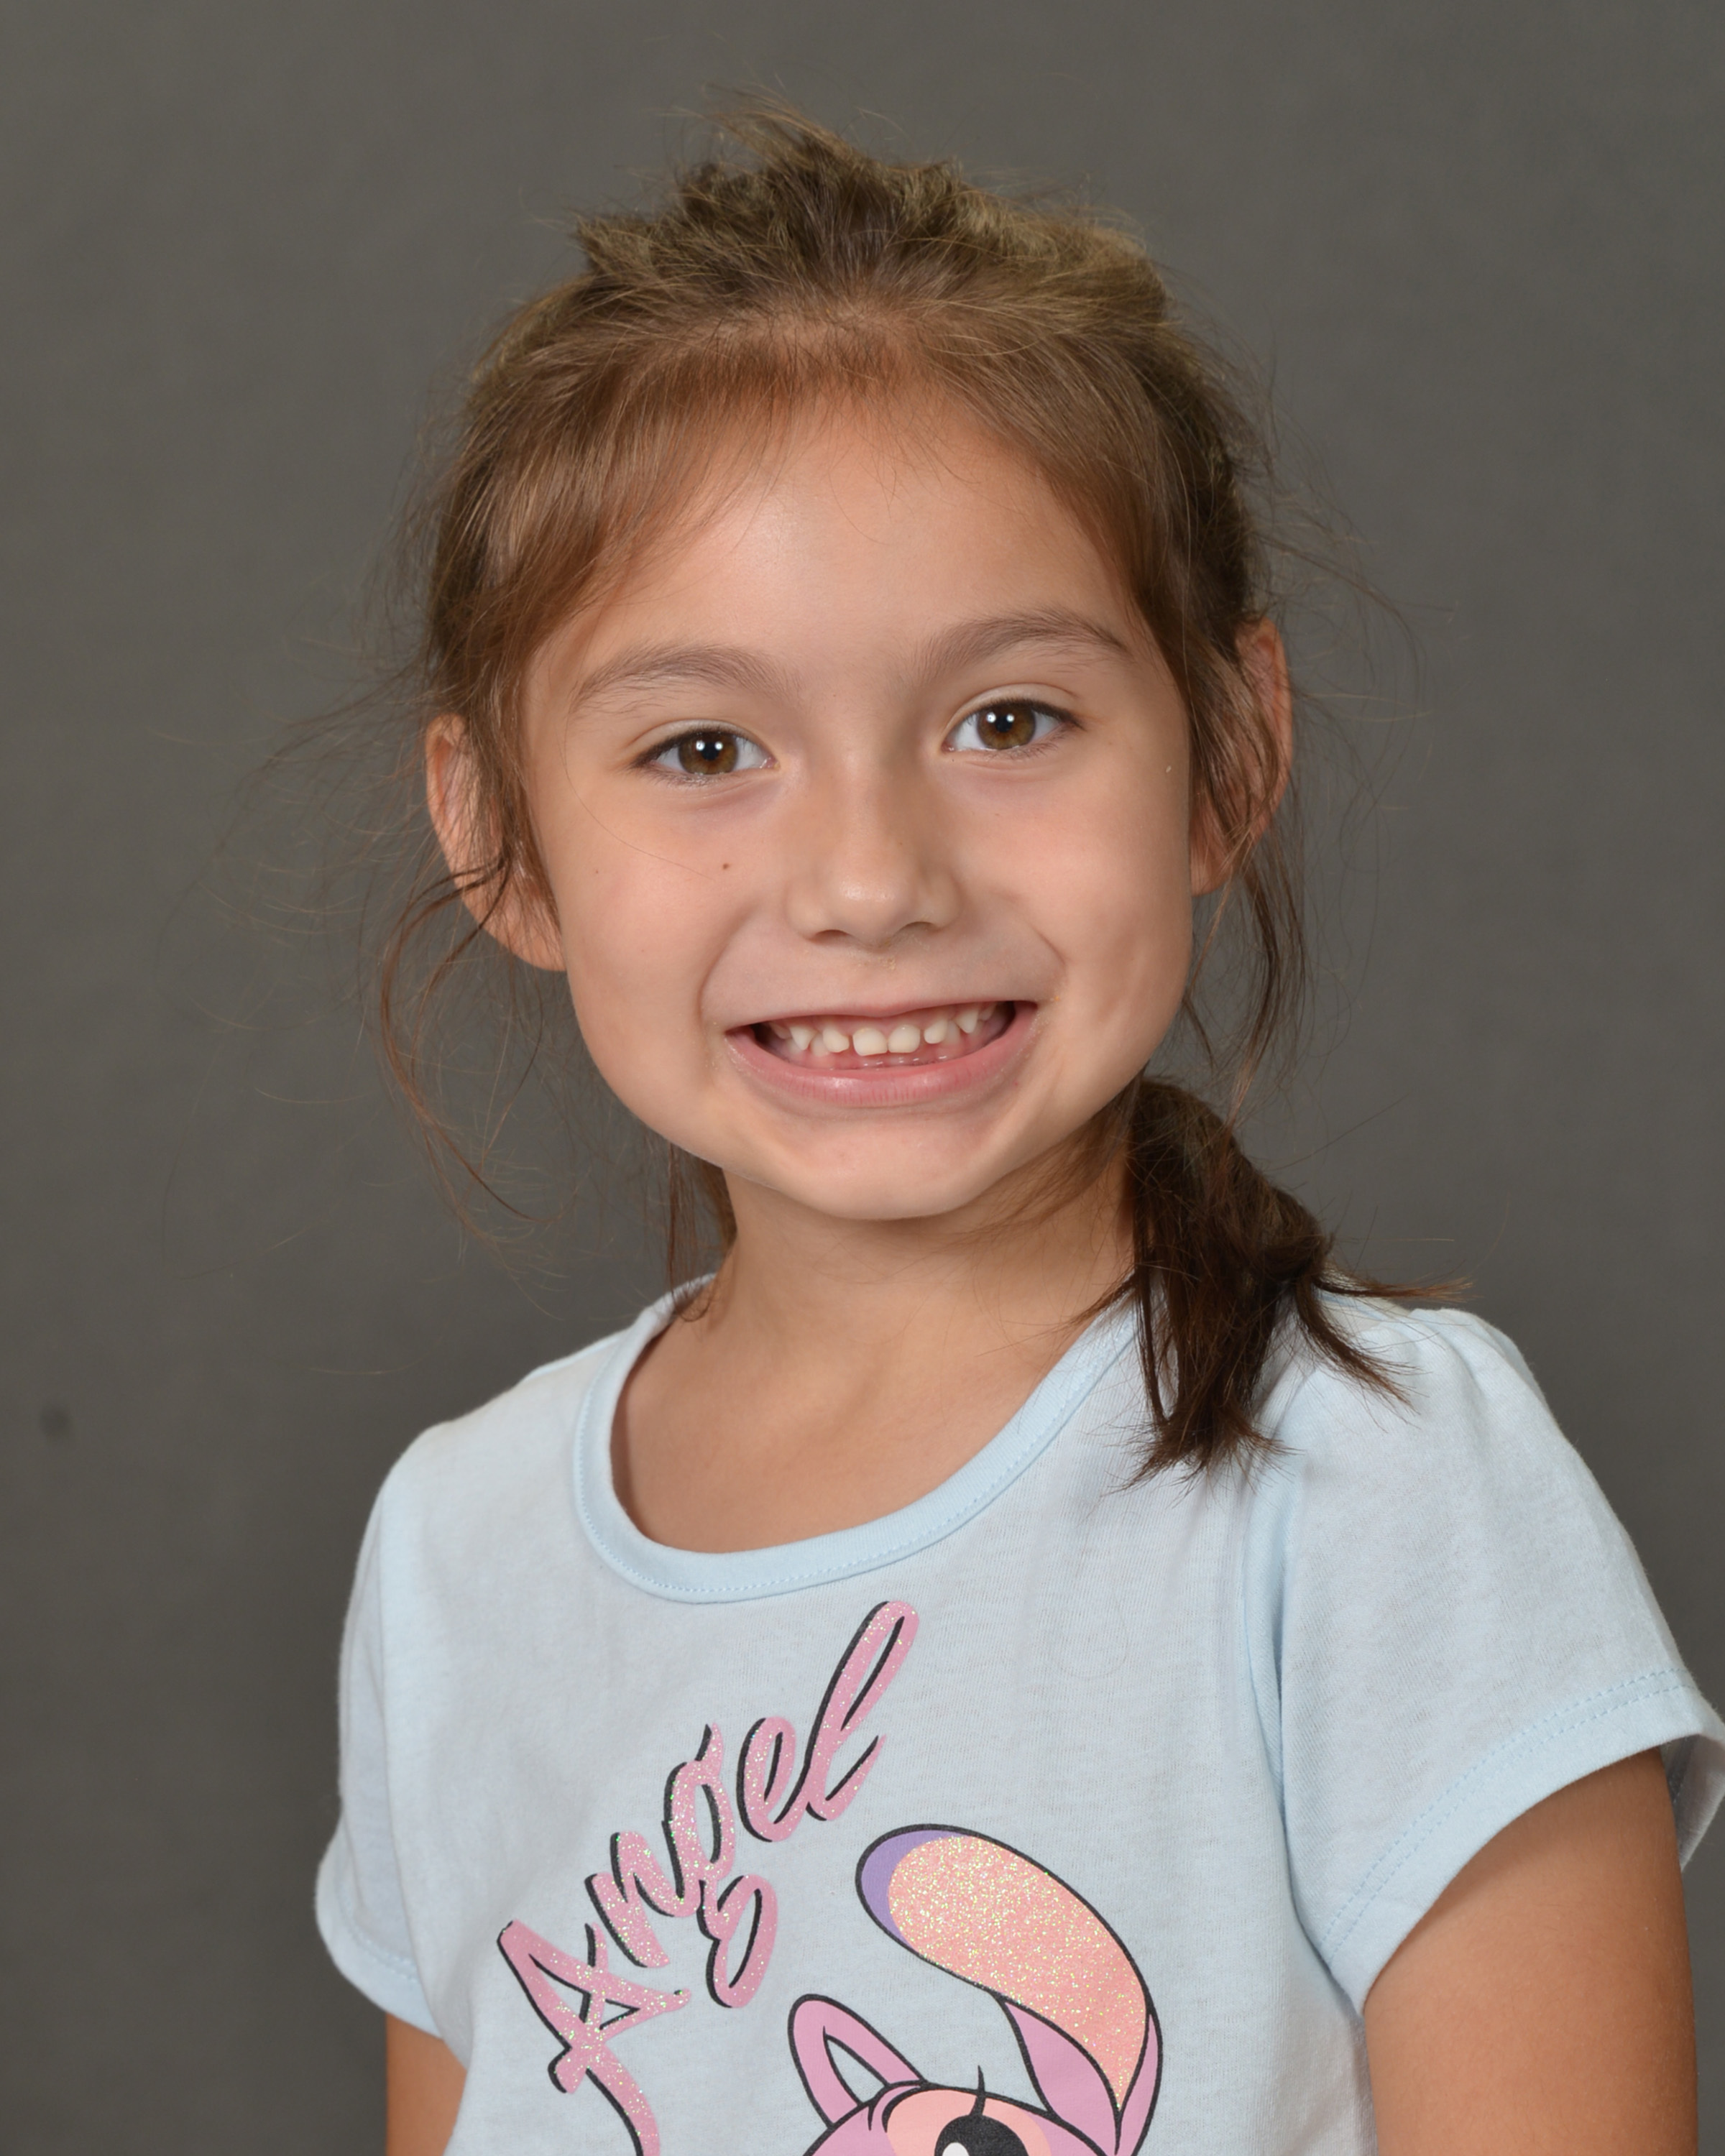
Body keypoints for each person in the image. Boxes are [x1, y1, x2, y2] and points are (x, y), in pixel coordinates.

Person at [313, 113, 1722, 2156]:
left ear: (1227, 753)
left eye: (1009, 721)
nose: (871, 879)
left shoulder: (1384, 1493)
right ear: (497, 835)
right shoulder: (457, 1553)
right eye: (703, 747)